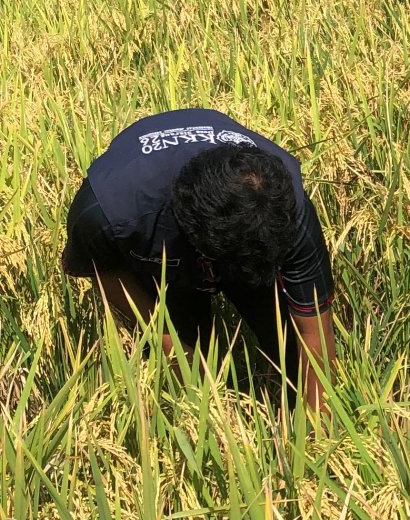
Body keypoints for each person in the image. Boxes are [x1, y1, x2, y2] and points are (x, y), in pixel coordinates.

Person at [62, 109, 336, 413]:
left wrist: (317, 434)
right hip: (164, 246)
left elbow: (314, 335)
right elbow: (104, 272)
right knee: (187, 377)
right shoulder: (107, 214)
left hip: (243, 234)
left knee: (291, 357)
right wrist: (169, 343)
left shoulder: (286, 208)